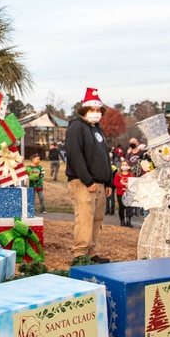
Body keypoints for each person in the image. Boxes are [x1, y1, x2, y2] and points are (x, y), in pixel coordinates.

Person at [64, 87, 114, 263]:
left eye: (98, 110)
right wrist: (88, 180)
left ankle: (92, 252)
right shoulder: (77, 127)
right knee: (85, 218)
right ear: (84, 110)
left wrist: (109, 182)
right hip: (83, 182)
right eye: (92, 110)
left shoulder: (98, 128)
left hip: (100, 183)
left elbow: (104, 158)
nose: (96, 113)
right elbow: (75, 155)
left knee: (96, 218)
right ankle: (80, 254)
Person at [113, 160, 134, 226]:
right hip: (120, 193)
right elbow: (115, 183)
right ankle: (122, 221)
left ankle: (128, 221)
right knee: (121, 208)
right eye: (123, 165)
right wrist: (124, 185)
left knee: (129, 208)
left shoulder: (131, 174)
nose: (124, 166)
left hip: (129, 194)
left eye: (126, 165)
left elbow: (134, 183)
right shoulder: (118, 174)